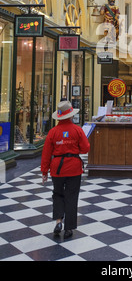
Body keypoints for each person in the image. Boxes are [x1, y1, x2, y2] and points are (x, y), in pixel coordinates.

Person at [41, 100, 90, 239]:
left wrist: (44, 171)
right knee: (71, 196)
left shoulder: (53, 132)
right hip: (74, 167)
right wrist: (75, 150)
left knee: (57, 194)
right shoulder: (77, 130)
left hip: (57, 168)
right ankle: (69, 228)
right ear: (71, 115)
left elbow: (46, 153)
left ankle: (58, 221)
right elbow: (86, 148)